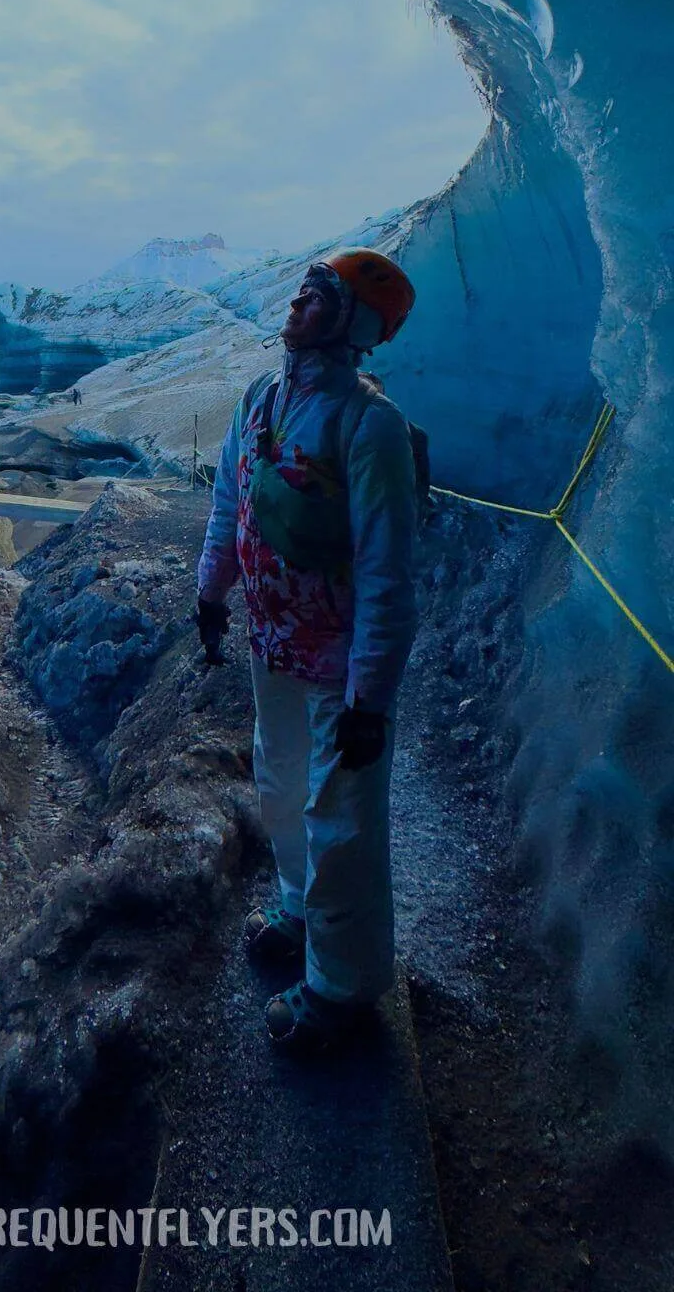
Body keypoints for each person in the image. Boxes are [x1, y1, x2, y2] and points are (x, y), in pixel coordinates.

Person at [196, 248, 419, 1055]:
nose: (297, 304)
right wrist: (211, 591)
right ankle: (297, 906)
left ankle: (341, 984)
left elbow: (387, 573)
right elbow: (232, 499)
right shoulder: (262, 398)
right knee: (282, 784)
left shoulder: (370, 427)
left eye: (318, 297)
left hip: (337, 669)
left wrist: (370, 701)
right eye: (302, 292)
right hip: (274, 644)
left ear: (353, 324)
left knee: (341, 822)